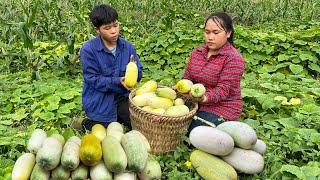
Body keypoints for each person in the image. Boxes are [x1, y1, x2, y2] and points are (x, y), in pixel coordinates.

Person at [75, 4, 143, 131]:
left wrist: (135, 72)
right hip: (100, 100)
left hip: (122, 97)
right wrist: (118, 81)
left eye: (116, 25)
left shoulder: (128, 47)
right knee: (104, 129)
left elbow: (139, 73)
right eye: (107, 28)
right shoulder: (89, 50)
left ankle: (119, 117)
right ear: (97, 30)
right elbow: (92, 79)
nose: (114, 31)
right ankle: (84, 123)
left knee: (139, 124)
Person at [183, 12, 245, 132]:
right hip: (194, 103)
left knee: (194, 131)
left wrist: (204, 98)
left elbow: (223, 90)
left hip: (221, 107)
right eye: (207, 32)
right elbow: (187, 77)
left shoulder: (233, 58)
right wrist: (181, 87)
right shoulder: (197, 52)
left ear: (228, 33)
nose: (210, 37)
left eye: (216, 33)